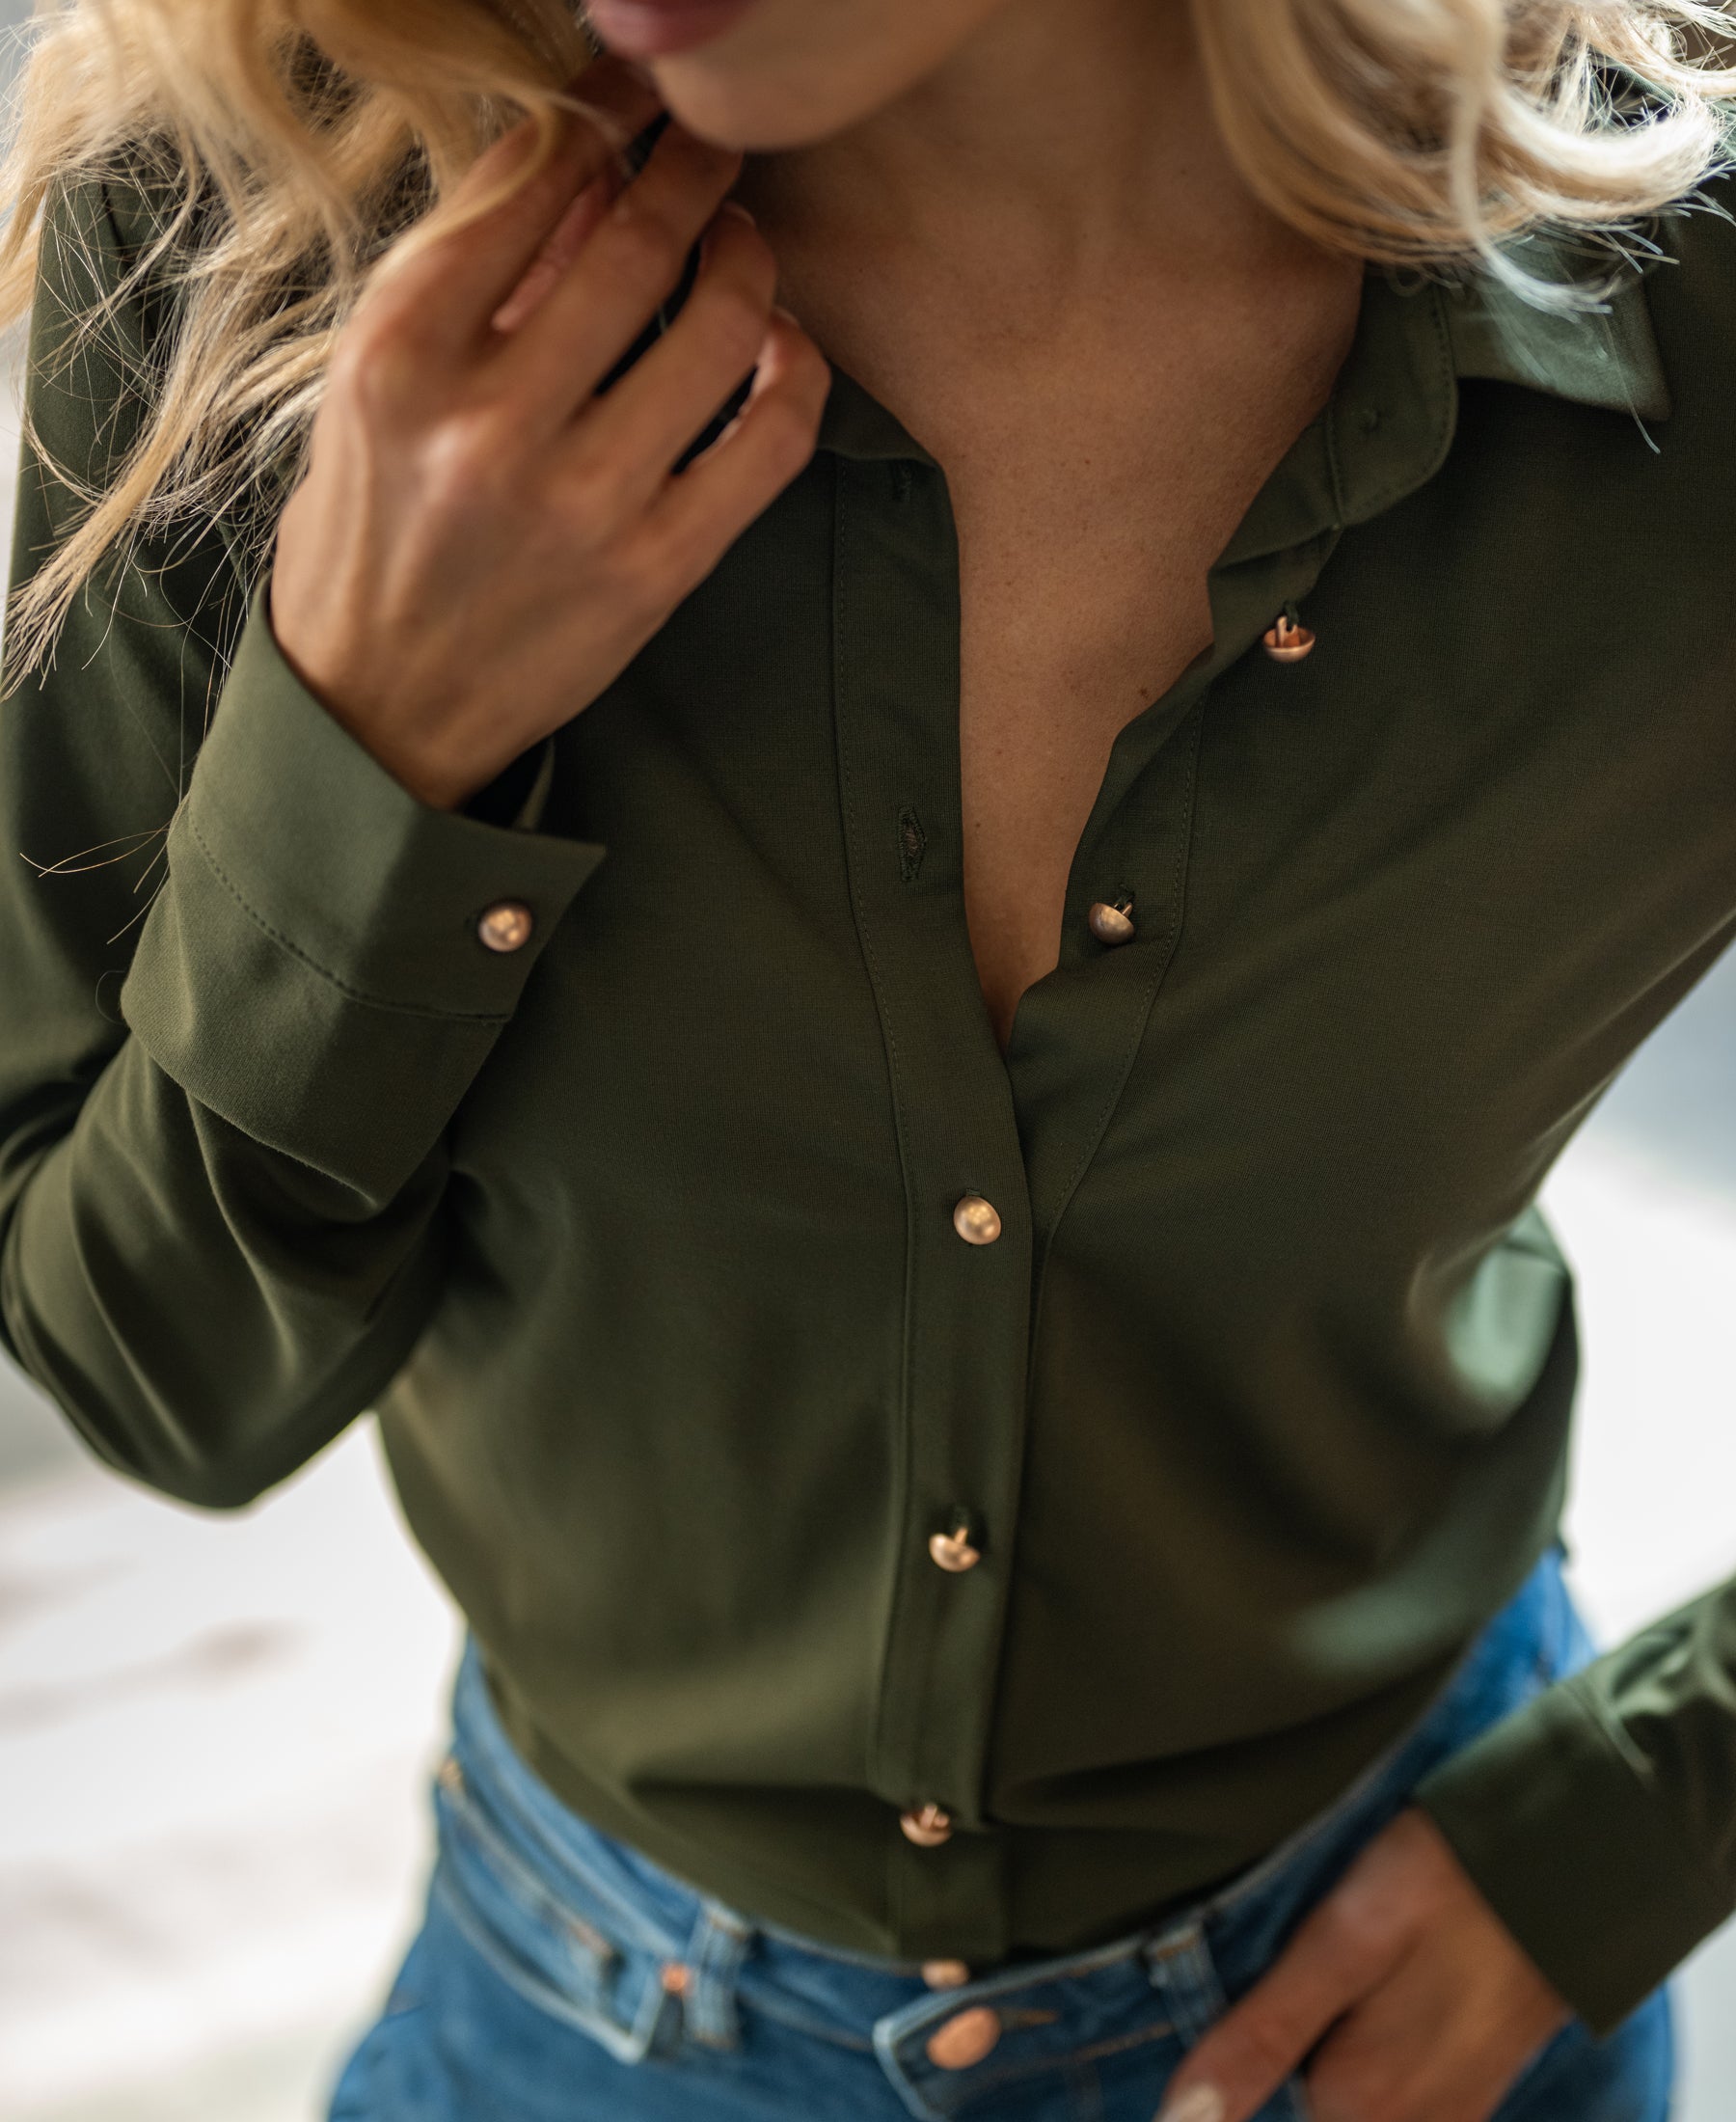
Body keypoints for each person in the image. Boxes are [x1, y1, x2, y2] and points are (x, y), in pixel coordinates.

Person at [0, 0, 1732, 2115]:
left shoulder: (1686, 307)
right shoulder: (252, 233)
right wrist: (363, 749)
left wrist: (1650, 1807)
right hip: (577, 2022)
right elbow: (156, 1369)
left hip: (1427, 2013)